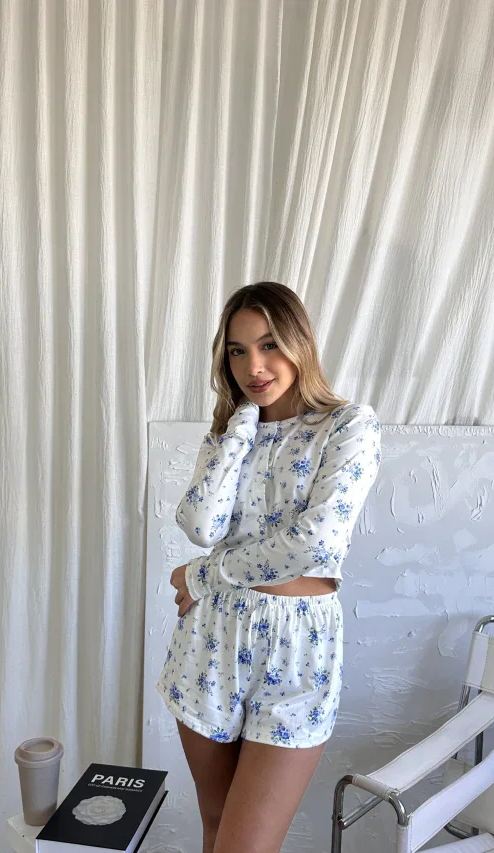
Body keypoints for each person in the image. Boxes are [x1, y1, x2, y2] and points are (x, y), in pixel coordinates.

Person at [156, 281, 381, 853]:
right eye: (237, 351)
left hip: (297, 649)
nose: (253, 366)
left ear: (300, 342)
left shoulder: (348, 426)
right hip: (210, 641)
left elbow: (314, 544)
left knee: (246, 845)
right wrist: (239, 430)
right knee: (215, 824)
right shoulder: (229, 434)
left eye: (269, 344)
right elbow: (200, 525)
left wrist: (203, 575)